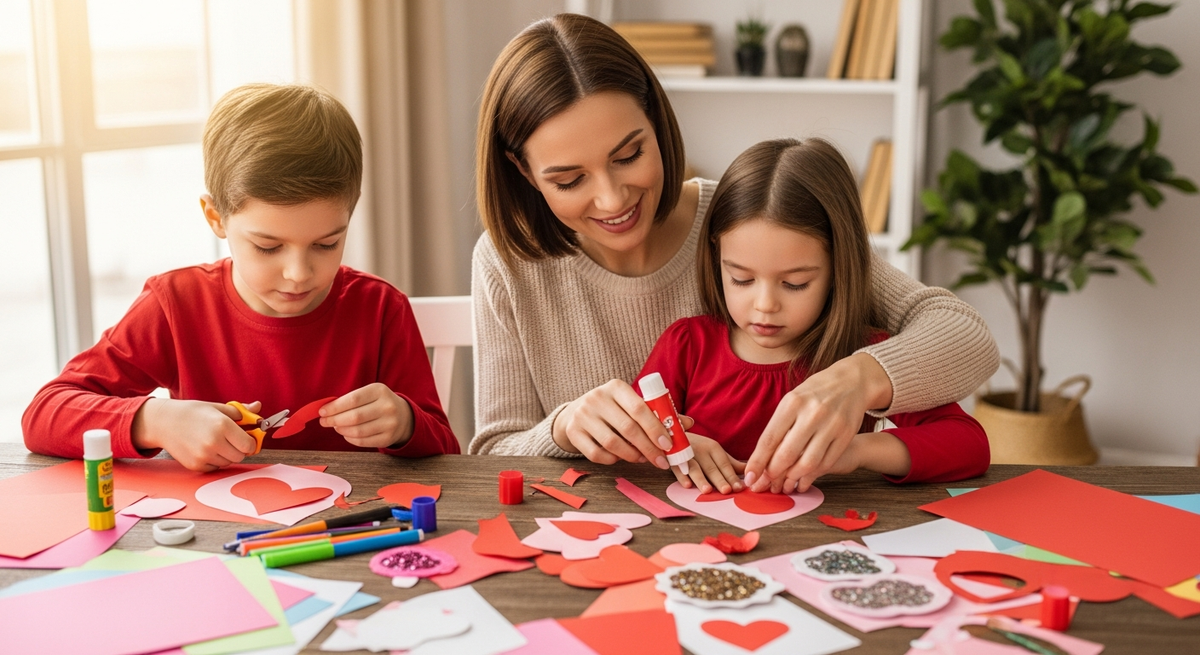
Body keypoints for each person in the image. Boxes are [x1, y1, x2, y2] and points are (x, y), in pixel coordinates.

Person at [470, 13, 998, 494]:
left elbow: (966, 336)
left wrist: (857, 382)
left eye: (629, 155)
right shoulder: (506, 263)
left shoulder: (747, 222)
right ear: (522, 171)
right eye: (568, 179)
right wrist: (562, 426)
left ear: (657, 120)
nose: (612, 199)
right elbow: (492, 455)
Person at [23, 84, 460, 470]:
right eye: (268, 247)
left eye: (326, 244)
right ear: (216, 217)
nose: (298, 273)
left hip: (351, 534)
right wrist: (155, 421)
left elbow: (446, 449)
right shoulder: (176, 303)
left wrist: (404, 423)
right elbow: (44, 414)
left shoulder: (380, 309)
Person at [637, 138, 990, 495]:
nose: (765, 305)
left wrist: (856, 452)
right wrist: (676, 447)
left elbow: (970, 444)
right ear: (717, 257)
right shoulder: (686, 345)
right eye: (741, 279)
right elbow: (634, 433)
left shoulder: (865, 357)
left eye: (795, 283)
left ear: (838, 268)